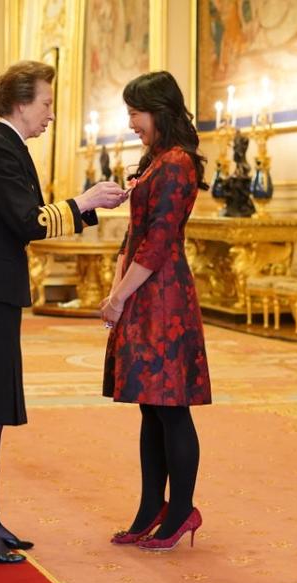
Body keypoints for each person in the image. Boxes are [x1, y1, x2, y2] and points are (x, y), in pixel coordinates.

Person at [0, 60, 127, 564]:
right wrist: (84, 200)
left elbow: (28, 218)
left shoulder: (8, 148)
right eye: (46, 103)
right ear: (20, 104)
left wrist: (87, 206)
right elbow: (27, 221)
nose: (51, 114)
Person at [101, 71, 211, 551]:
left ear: (159, 110)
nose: (130, 124)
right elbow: (136, 235)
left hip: (164, 299)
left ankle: (181, 511)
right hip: (147, 293)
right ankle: (151, 509)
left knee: (172, 410)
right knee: (151, 407)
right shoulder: (155, 160)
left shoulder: (177, 163)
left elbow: (160, 242)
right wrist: (117, 289)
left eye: (135, 113)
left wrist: (121, 295)